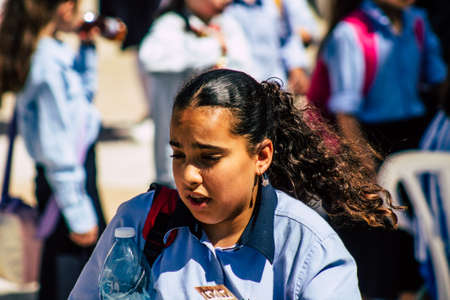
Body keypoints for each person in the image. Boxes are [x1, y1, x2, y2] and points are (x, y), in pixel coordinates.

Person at [70, 68, 398, 299]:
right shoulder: (138, 224)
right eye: (178, 155)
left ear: (261, 156)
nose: (188, 175)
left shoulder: (308, 248)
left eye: (209, 158)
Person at [307, 0, 447, 298]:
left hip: (412, 136)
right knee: (376, 249)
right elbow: (345, 112)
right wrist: (365, 170)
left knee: (412, 246)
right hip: (366, 143)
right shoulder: (351, 33)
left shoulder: (418, 23)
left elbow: (438, 79)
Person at [0, 0, 106, 299]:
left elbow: (81, 103)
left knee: (72, 274)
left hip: (71, 174)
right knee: (71, 278)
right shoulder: (45, 61)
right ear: (64, 7)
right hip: (67, 181)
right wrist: (77, 211)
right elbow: (56, 144)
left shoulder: (52, 50)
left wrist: (87, 51)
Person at [138, 0, 254, 186]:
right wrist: (212, 48)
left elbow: (246, 70)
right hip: (176, 164)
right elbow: (150, 58)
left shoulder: (228, 24)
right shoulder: (172, 24)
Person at [226, 0, 311, 95]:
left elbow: (288, 37)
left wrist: (296, 66)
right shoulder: (224, 6)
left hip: (276, 86)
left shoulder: (275, 3)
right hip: (240, 89)